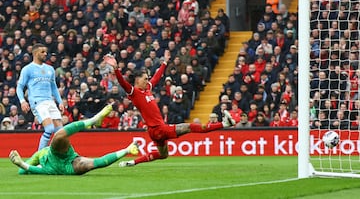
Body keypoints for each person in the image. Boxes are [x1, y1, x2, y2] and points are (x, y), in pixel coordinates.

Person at [103, 51, 236, 167]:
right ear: (137, 80)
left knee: (163, 155)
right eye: (145, 78)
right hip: (158, 128)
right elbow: (123, 83)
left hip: (155, 131)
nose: (147, 80)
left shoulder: (147, 89)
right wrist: (116, 69)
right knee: (190, 127)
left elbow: (156, 77)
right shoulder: (134, 92)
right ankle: (224, 124)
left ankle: (132, 162)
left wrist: (165, 63)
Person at [9, 104, 139, 175]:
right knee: (94, 164)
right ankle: (127, 149)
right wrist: (20, 164)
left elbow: (24, 169)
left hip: (62, 155)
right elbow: (23, 170)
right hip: (68, 168)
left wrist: (21, 163)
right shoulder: (46, 170)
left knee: (59, 135)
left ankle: (94, 119)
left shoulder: (41, 154)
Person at [16, 43, 65, 150]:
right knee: (49, 128)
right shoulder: (27, 69)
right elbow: (19, 87)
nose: (45, 54)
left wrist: (60, 102)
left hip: (50, 101)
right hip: (37, 102)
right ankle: (39, 158)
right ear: (35, 53)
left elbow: (54, 87)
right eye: (42, 52)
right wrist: (22, 101)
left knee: (60, 132)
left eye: (45, 52)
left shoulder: (50, 69)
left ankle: (57, 156)